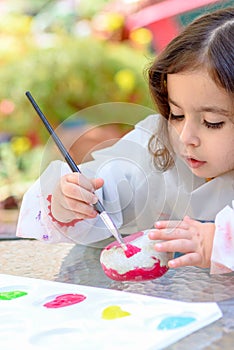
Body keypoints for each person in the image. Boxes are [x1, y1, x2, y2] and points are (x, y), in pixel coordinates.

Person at [17, 7, 234, 274]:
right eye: (176, 114)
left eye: (212, 122)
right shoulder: (158, 143)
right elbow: (108, 182)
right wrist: (69, 200)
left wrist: (222, 243)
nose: (186, 137)